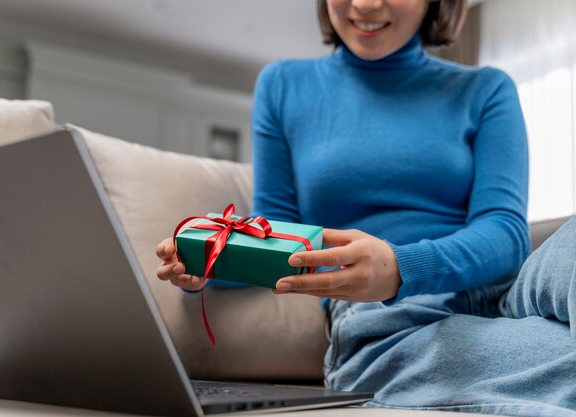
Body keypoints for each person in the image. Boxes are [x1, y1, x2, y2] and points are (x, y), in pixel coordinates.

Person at [156, 0, 576, 415]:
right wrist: (209, 262)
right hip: (392, 325)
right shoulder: (284, 85)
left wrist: (402, 266)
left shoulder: (486, 89)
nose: (366, 4)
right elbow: (277, 237)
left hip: (504, 289)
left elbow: (505, 232)